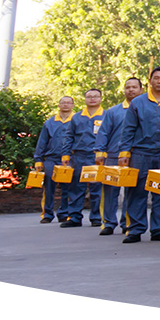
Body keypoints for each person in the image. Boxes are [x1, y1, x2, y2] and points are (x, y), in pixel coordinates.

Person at [119, 66, 160, 244]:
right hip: (140, 153)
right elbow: (128, 129)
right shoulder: (138, 102)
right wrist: (124, 153)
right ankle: (135, 229)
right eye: (156, 78)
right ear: (149, 81)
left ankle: (159, 229)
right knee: (136, 191)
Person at [95, 77, 142, 236]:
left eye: (134, 87)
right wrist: (100, 153)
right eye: (128, 87)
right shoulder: (113, 111)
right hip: (113, 156)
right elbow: (103, 132)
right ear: (124, 90)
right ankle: (108, 222)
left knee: (132, 193)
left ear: (141, 90)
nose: (131, 90)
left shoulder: (145, 108)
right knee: (109, 192)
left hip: (136, 157)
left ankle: (127, 223)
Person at [33, 96, 78, 225]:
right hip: (51, 159)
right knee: (48, 187)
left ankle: (64, 213)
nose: (66, 105)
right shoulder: (49, 122)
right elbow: (42, 142)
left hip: (69, 159)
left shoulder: (77, 121)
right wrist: (38, 159)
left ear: (73, 105)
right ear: (59, 105)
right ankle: (47, 214)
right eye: (63, 102)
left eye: (68, 103)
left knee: (67, 188)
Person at [71, 88, 106, 227]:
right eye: (89, 96)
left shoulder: (106, 115)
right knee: (76, 188)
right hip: (79, 156)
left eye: (95, 96)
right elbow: (69, 136)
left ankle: (96, 217)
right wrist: (66, 154)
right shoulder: (77, 117)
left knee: (96, 188)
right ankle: (74, 217)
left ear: (100, 99)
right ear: (85, 99)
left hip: (97, 157)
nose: (92, 99)